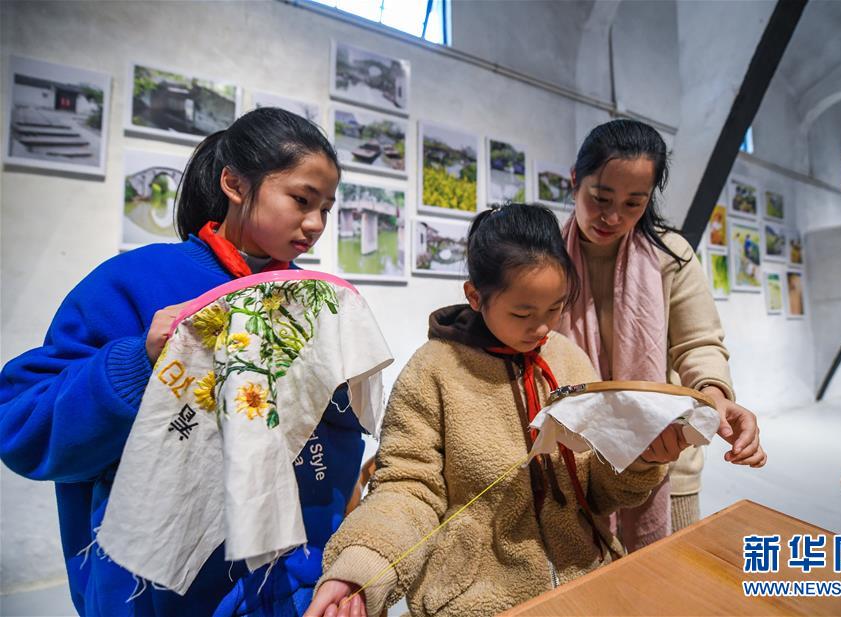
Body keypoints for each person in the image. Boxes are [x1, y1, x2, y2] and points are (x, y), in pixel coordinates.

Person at [0, 107, 364, 616]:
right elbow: (21, 427)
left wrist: (333, 565)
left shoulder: (316, 304)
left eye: (326, 208)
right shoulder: (133, 283)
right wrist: (138, 362)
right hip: (156, 597)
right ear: (234, 184)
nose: (316, 224)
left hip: (291, 591)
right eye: (302, 200)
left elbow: (336, 451)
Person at [307, 204, 670, 617]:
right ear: (476, 296)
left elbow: (594, 492)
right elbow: (408, 489)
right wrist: (362, 569)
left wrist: (640, 460)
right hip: (474, 602)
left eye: (556, 308)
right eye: (522, 313)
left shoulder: (568, 359)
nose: (543, 328)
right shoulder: (433, 371)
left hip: (588, 584)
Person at [558, 119, 767, 551]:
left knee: (669, 576)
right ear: (575, 180)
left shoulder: (670, 255)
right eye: (600, 198)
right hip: (574, 461)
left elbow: (699, 344)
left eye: (633, 204)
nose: (613, 217)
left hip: (664, 452)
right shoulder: (546, 257)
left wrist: (714, 396)